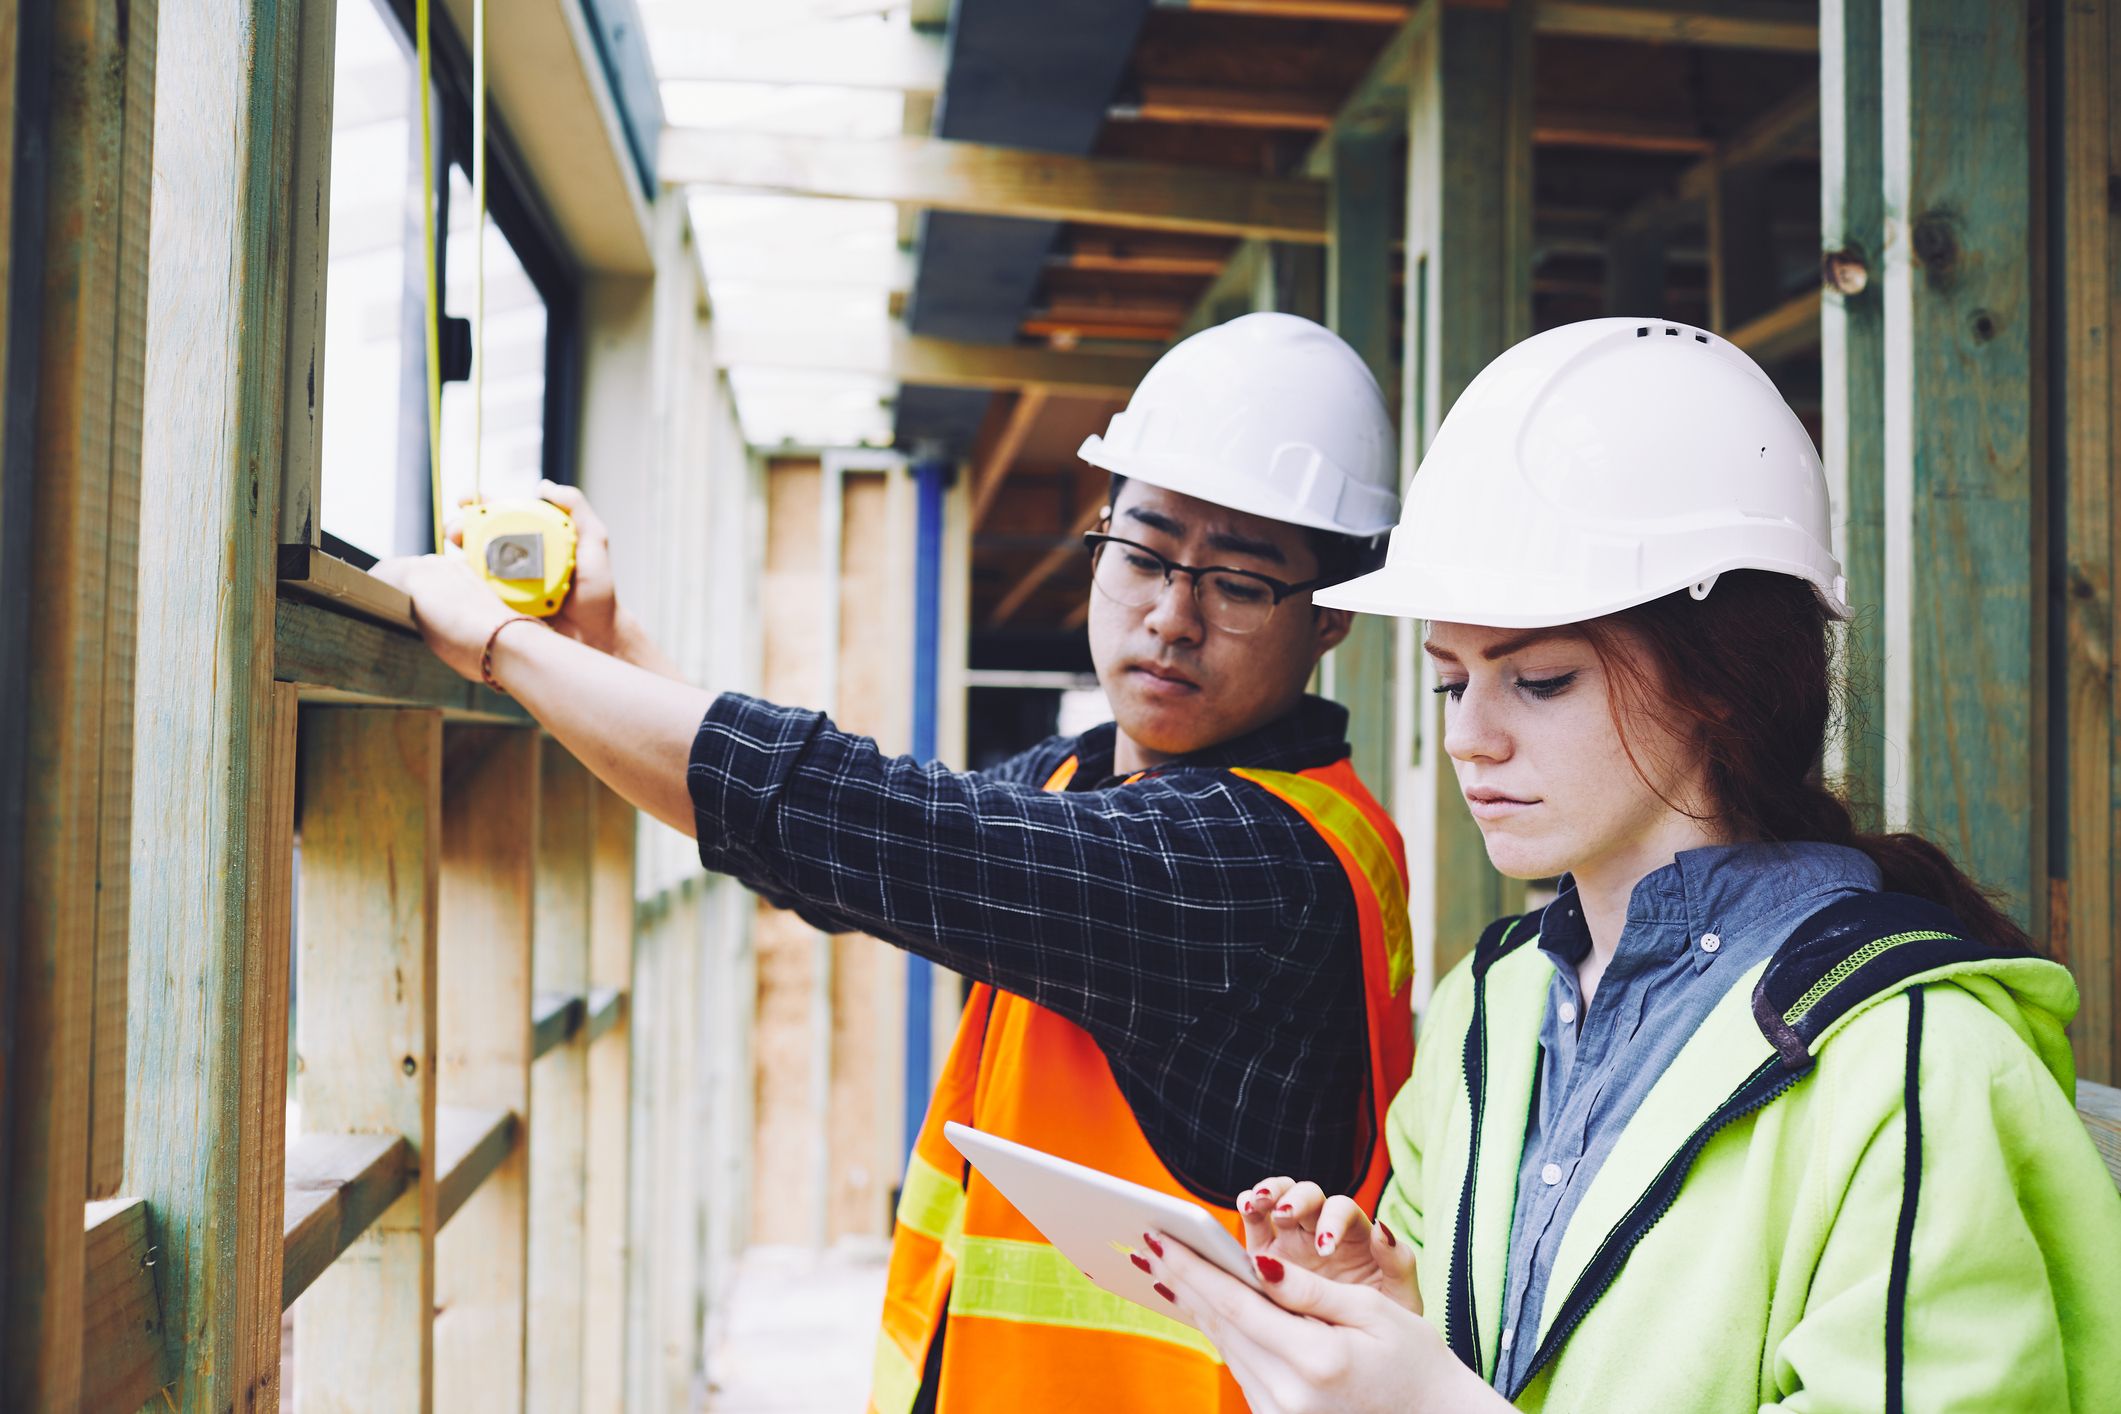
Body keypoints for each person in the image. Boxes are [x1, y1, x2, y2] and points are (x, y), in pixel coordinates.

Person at [375, 313, 1419, 1413]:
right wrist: (610, 651)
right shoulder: (1091, 784)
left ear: (1331, 616)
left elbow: (860, 822)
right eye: (1145, 551)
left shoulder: (1247, 867)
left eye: (1241, 582)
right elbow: (846, 854)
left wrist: (505, 647)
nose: (1171, 614)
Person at [1132, 317, 2121, 1412]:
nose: (1471, 737)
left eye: (1540, 679)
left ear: (1725, 677)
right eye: (1451, 681)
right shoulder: (1488, 1007)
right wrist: (1388, 1308)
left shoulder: (1918, 1064)